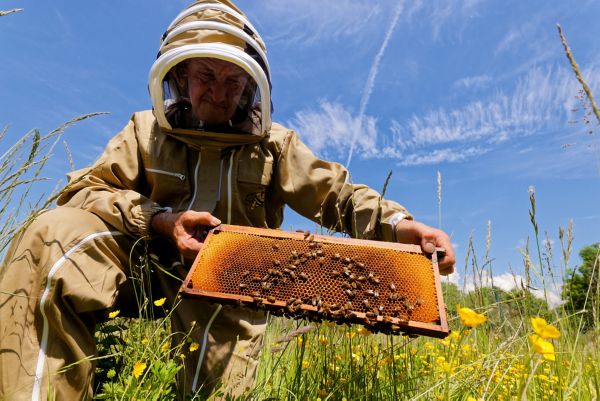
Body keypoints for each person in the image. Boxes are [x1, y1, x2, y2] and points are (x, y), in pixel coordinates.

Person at [0, 1, 455, 400]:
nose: (219, 93)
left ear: (251, 87)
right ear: (179, 74)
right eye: (205, 76)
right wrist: (160, 221)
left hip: (231, 288)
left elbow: (336, 194)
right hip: (145, 272)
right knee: (53, 237)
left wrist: (398, 224)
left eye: (234, 81)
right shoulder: (144, 132)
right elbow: (85, 192)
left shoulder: (275, 145)